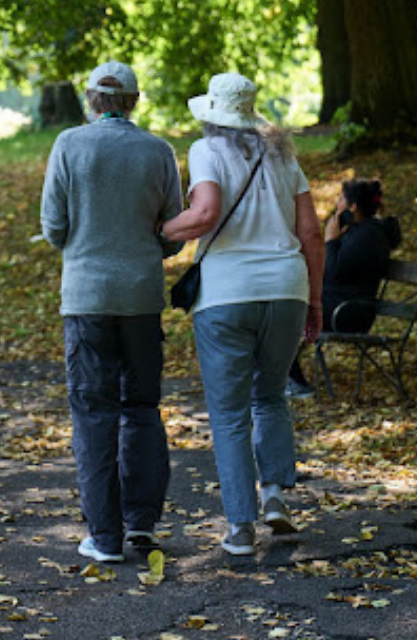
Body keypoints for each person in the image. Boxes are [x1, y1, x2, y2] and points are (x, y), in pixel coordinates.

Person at [160, 73, 325, 556]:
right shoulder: (285, 157)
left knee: (229, 413)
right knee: (270, 396)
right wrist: (314, 301)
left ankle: (240, 527)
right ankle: (274, 497)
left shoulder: (205, 151)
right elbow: (312, 233)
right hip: (285, 291)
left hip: (226, 296)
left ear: (212, 114)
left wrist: (161, 229)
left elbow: (205, 213)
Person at [40, 61, 184, 563]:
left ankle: (104, 537)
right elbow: (173, 228)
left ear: (91, 100)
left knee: (93, 414)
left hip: (86, 297)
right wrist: (145, 253)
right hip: (141, 298)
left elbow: (53, 225)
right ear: (135, 102)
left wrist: (85, 244)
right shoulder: (158, 150)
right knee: (142, 408)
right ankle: (142, 525)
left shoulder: (69, 145)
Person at [286, 178, 401, 396]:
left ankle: (295, 383)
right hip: (339, 304)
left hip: (349, 313)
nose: (337, 205)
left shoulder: (368, 236)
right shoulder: (358, 231)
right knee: (279, 308)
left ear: (352, 206)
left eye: (340, 199)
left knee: (283, 313)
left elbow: (332, 271)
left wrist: (330, 240)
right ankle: (287, 378)